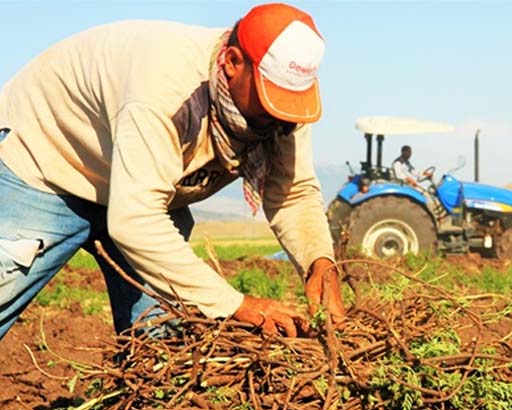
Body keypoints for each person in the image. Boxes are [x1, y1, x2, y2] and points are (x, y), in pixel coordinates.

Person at [0, 3, 345, 340]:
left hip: (145, 194)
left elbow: (292, 193)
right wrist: (235, 304)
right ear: (233, 62)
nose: (277, 116)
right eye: (270, 98)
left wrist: (319, 261)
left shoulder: (284, 108)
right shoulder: (165, 89)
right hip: (46, 163)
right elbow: (135, 220)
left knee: (159, 337)